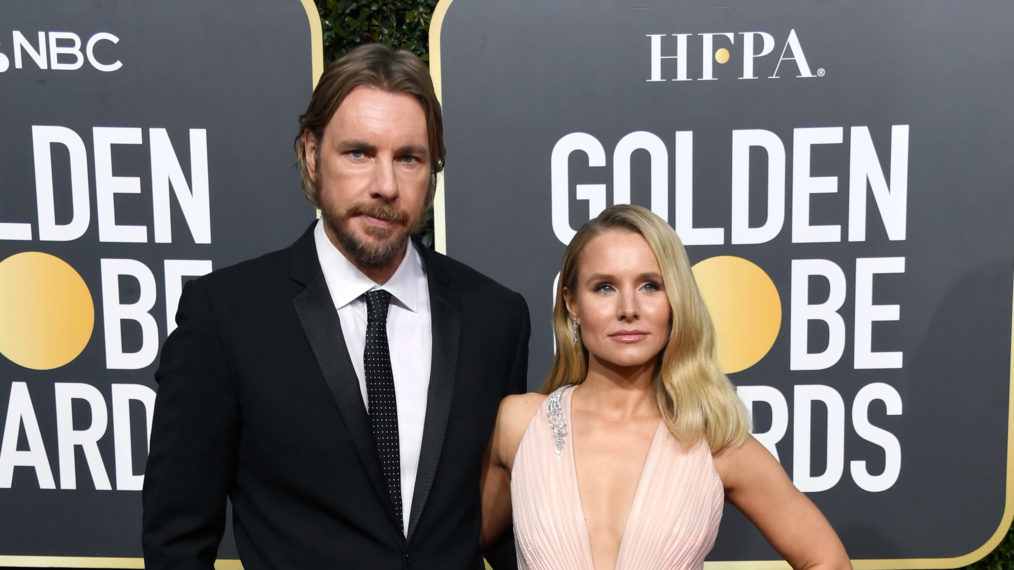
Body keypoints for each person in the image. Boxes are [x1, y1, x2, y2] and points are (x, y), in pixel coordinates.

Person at [142, 44, 530, 569]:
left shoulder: (496, 317)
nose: (385, 186)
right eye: (359, 153)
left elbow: (503, 522)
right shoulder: (226, 316)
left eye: (409, 158)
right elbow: (177, 539)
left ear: (432, 171)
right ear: (310, 153)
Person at [480, 204, 851, 569]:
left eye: (650, 286)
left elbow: (826, 559)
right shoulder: (519, 425)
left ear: (675, 300)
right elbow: (450, 546)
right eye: (605, 287)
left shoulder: (714, 441)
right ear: (572, 303)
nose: (629, 308)